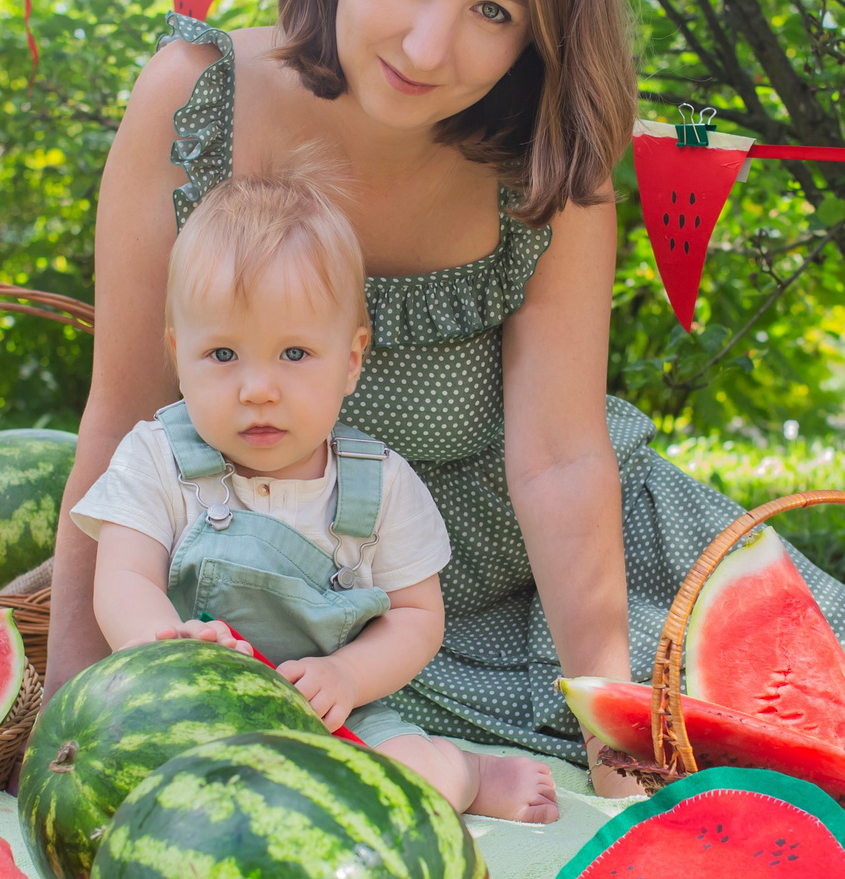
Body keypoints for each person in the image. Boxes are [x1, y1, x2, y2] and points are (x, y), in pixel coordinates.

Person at [54, 0, 845, 798]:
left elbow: (562, 463)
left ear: (534, 34)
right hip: (344, 595)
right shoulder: (193, 94)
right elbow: (121, 410)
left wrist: (614, 719)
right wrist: (68, 716)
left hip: (542, 559)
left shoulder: (546, 163)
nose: (429, 46)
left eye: (493, 11)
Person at [73, 170, 562, 823]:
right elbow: (122, 581)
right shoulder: (156, 458)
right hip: (187, 714)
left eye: (295, 353)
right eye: (222, 353)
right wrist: (167, 643)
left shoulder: (376, 482)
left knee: (411, 786)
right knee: (128, 808)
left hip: (337, 715)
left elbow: (417, 617)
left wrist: (350, 676)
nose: (258, 389)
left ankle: (466, 772)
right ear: (177, 355)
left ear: (352, 360)